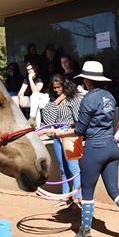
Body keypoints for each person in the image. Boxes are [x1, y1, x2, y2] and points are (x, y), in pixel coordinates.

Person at [46, 60, 119, 237]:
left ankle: (85, 234)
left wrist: (60, 133)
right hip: (111, 148)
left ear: (86, 80)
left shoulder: (88, 99)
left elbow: (80, 131)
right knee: (115, 191)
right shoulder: (109, 96)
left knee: (87, 193)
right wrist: (74, 126)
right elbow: (96, 121)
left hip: (95, 149)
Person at [40, 74, 83, 209]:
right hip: (57, 134)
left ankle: (77, 198)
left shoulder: (75, 98)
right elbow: (48, 119)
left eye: (59, 87)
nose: (57, 90)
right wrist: (59, 99)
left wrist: (72, 129)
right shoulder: (54, 100)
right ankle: (66, 198)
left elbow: (79, 118)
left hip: (70, 134)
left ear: (65, 85)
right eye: (55, 88)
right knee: (63, 169)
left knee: (73, 168)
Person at [14, 61, 48, 126]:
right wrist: (21, 97)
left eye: (31, 68)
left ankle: (32, 120)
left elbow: (36, 92)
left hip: (43, 100)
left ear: (36, 67)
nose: (29, 71)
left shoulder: (40, 77)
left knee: (34, 96)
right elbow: (20, 92)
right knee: (15, 99)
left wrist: (31, 79)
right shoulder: (27, 78)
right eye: (28, 70)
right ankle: (20, 122)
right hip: (33, 100)